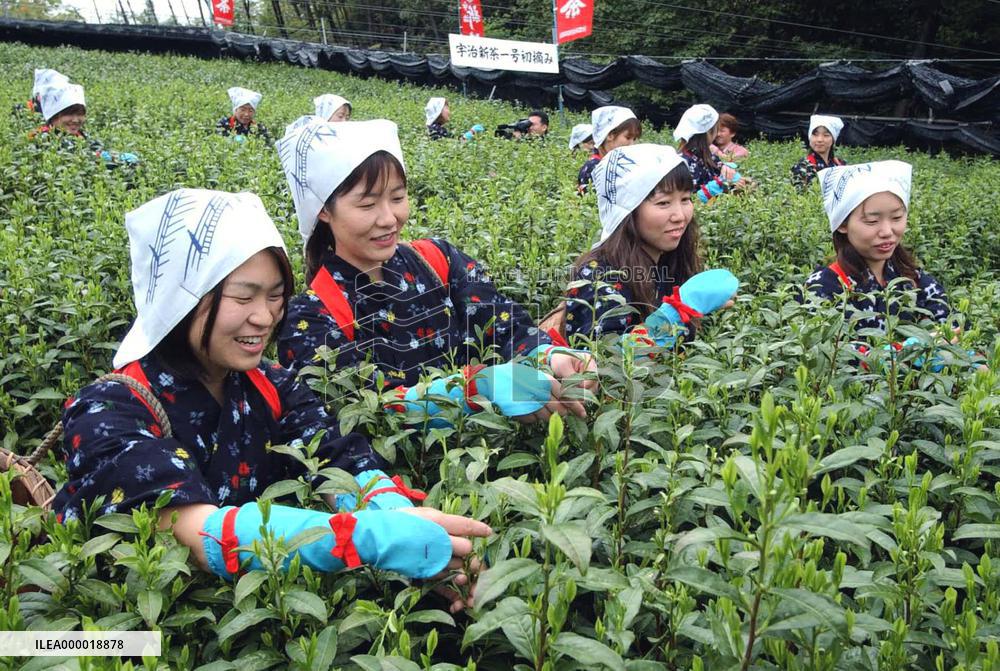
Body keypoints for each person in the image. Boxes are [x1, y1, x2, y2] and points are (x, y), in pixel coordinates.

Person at [53, 188, 490, 607]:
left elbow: (341, 462)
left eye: (276, 296)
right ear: (180, 300)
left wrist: (402, 522)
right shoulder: (109, 410)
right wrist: (370, 539)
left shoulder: (272, 386)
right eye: (243, 296)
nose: (264, 317)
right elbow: (194, 533)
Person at [275, 117, 594, 425]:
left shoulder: (438, 259)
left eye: (398, 197)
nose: (389, 218)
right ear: (324, 210)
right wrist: (471, 389)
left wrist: (549, 356)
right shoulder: (311, 318)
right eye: (367, 204)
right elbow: (358, 415)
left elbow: (505, 326)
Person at [552, 144, 738, 348]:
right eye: (663, 203)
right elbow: (599, 364)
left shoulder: (667, 262)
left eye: (685, 199)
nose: (680, 215)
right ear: (627, 211)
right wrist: (679, 311)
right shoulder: (599, 278)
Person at [804, 160, 950, 334]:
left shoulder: (911, 278)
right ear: (842, 224)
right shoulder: (824, 286)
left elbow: (953, 329)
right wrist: (915, 349)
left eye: (896, 217)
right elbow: (834, 353)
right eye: (872, 221)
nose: (887, 231)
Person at [29, 79, 139, 168]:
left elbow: (96, 148)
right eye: (69, 114)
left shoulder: (80, 135)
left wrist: (115, 156)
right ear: (53, 115)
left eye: (80, 114)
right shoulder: (42, 137)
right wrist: (101, 158)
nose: (76, 120)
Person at [674, 103, 746, 203]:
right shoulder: (683, 162)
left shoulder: (708, 157)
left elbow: (725, 176)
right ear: (710, 132)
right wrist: (719, 185)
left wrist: (735, 183)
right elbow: (686, 201)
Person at [577, 106, 641, 193]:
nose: (632, 144)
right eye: (628, 137)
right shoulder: (595, 167)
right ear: (610, 135)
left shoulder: (620, 164)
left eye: (634, 139)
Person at [791, 114, 847, 190]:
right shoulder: (803, 166)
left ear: (833, 139)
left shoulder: (840, 165)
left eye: (826, 135)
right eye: (815, 135)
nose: (820, 139)